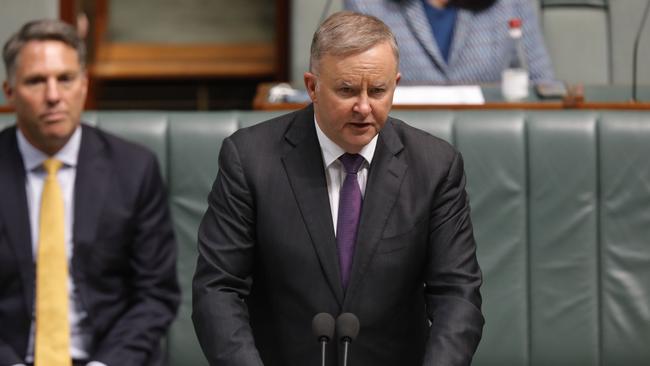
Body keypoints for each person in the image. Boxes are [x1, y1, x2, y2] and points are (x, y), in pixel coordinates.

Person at [193, 10, 483, 366]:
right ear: (312, 87)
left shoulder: (435, 166)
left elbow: (457, 295)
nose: (364, 107)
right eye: (346, 90)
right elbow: (218, 288)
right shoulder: (250, 159)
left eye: (378, 91)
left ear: (396, 83)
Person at [0, 19, 180, 366]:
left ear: (83, 84)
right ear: (9, 92)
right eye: (36, 81)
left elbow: (156, 295)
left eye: (65, 79)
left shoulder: (133, 169)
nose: (53, 96)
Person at [345, 0, 555, 84]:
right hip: (401, 150)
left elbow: (543, 85)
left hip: (491, 147)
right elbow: (336, 89)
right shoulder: (367, 4)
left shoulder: (510, 3)